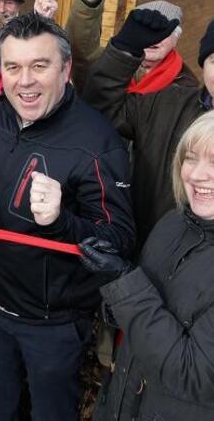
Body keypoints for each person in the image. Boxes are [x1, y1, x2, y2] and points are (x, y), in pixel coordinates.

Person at [0, 12, 135, 421]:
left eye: (39, 66)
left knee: (51, 413)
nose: (24, 81)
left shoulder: (97, 142)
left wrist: (61, 220)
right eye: (13, 67)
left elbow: (118, 241)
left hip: (53, 323)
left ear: (65, 70)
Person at [80, 111, 214, 420]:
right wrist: (113, 298)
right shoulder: (173, 223)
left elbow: (191, 372)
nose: (196, 174)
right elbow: (143, 313)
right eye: (190, 158)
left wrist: (124, 283)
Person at [83, 10, 214, 251]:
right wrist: (124, 50)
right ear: (204, 64)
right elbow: (102, 110)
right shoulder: (167, 103)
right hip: (149, 250)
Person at [66, 0, 197, 92]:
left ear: (176, 38)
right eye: (144, 29)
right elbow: (81, 50)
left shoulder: (186, 87)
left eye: (162, 31)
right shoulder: (113, 63)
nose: (153, 39)